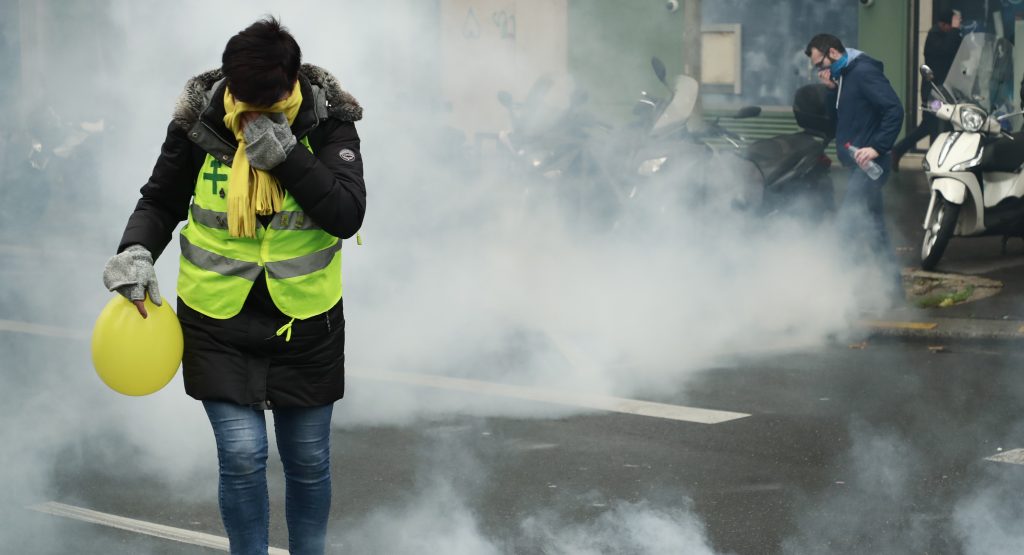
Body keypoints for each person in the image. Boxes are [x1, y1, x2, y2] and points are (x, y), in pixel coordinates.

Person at [101, 17, 365, 555]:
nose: (253, 115)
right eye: (244, 101)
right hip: (216, 316)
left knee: (308, 461)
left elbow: (346, 213)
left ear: (294, 83)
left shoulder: (330, 122)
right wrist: (136, 251)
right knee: (242, 455)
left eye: (268, 103)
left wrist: (289, 157)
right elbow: (160, 200)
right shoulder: (200, 125)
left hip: (306, 321)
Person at [805, 34, 904, 300]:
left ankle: (836, 296)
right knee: (876, 230)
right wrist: (830, 90)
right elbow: (839, 117)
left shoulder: (863, 73)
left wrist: (878, 147)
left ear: (833, 53)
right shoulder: (845, 76)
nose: (819, 70)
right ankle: (895, 293)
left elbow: (894, 110)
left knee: (847, 225)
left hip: (871, 164)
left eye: (819, 63)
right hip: (856, 163)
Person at [891, 9, 962, 170]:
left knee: (933, 125)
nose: (955, 28)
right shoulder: (934, 36)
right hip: (934, 93)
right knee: (934, 124)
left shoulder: (949, 35)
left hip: (947, 91)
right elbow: (946, 50)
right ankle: (932, 160)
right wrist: (956, 30)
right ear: (944, 24)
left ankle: (898, 151)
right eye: (952, 25)